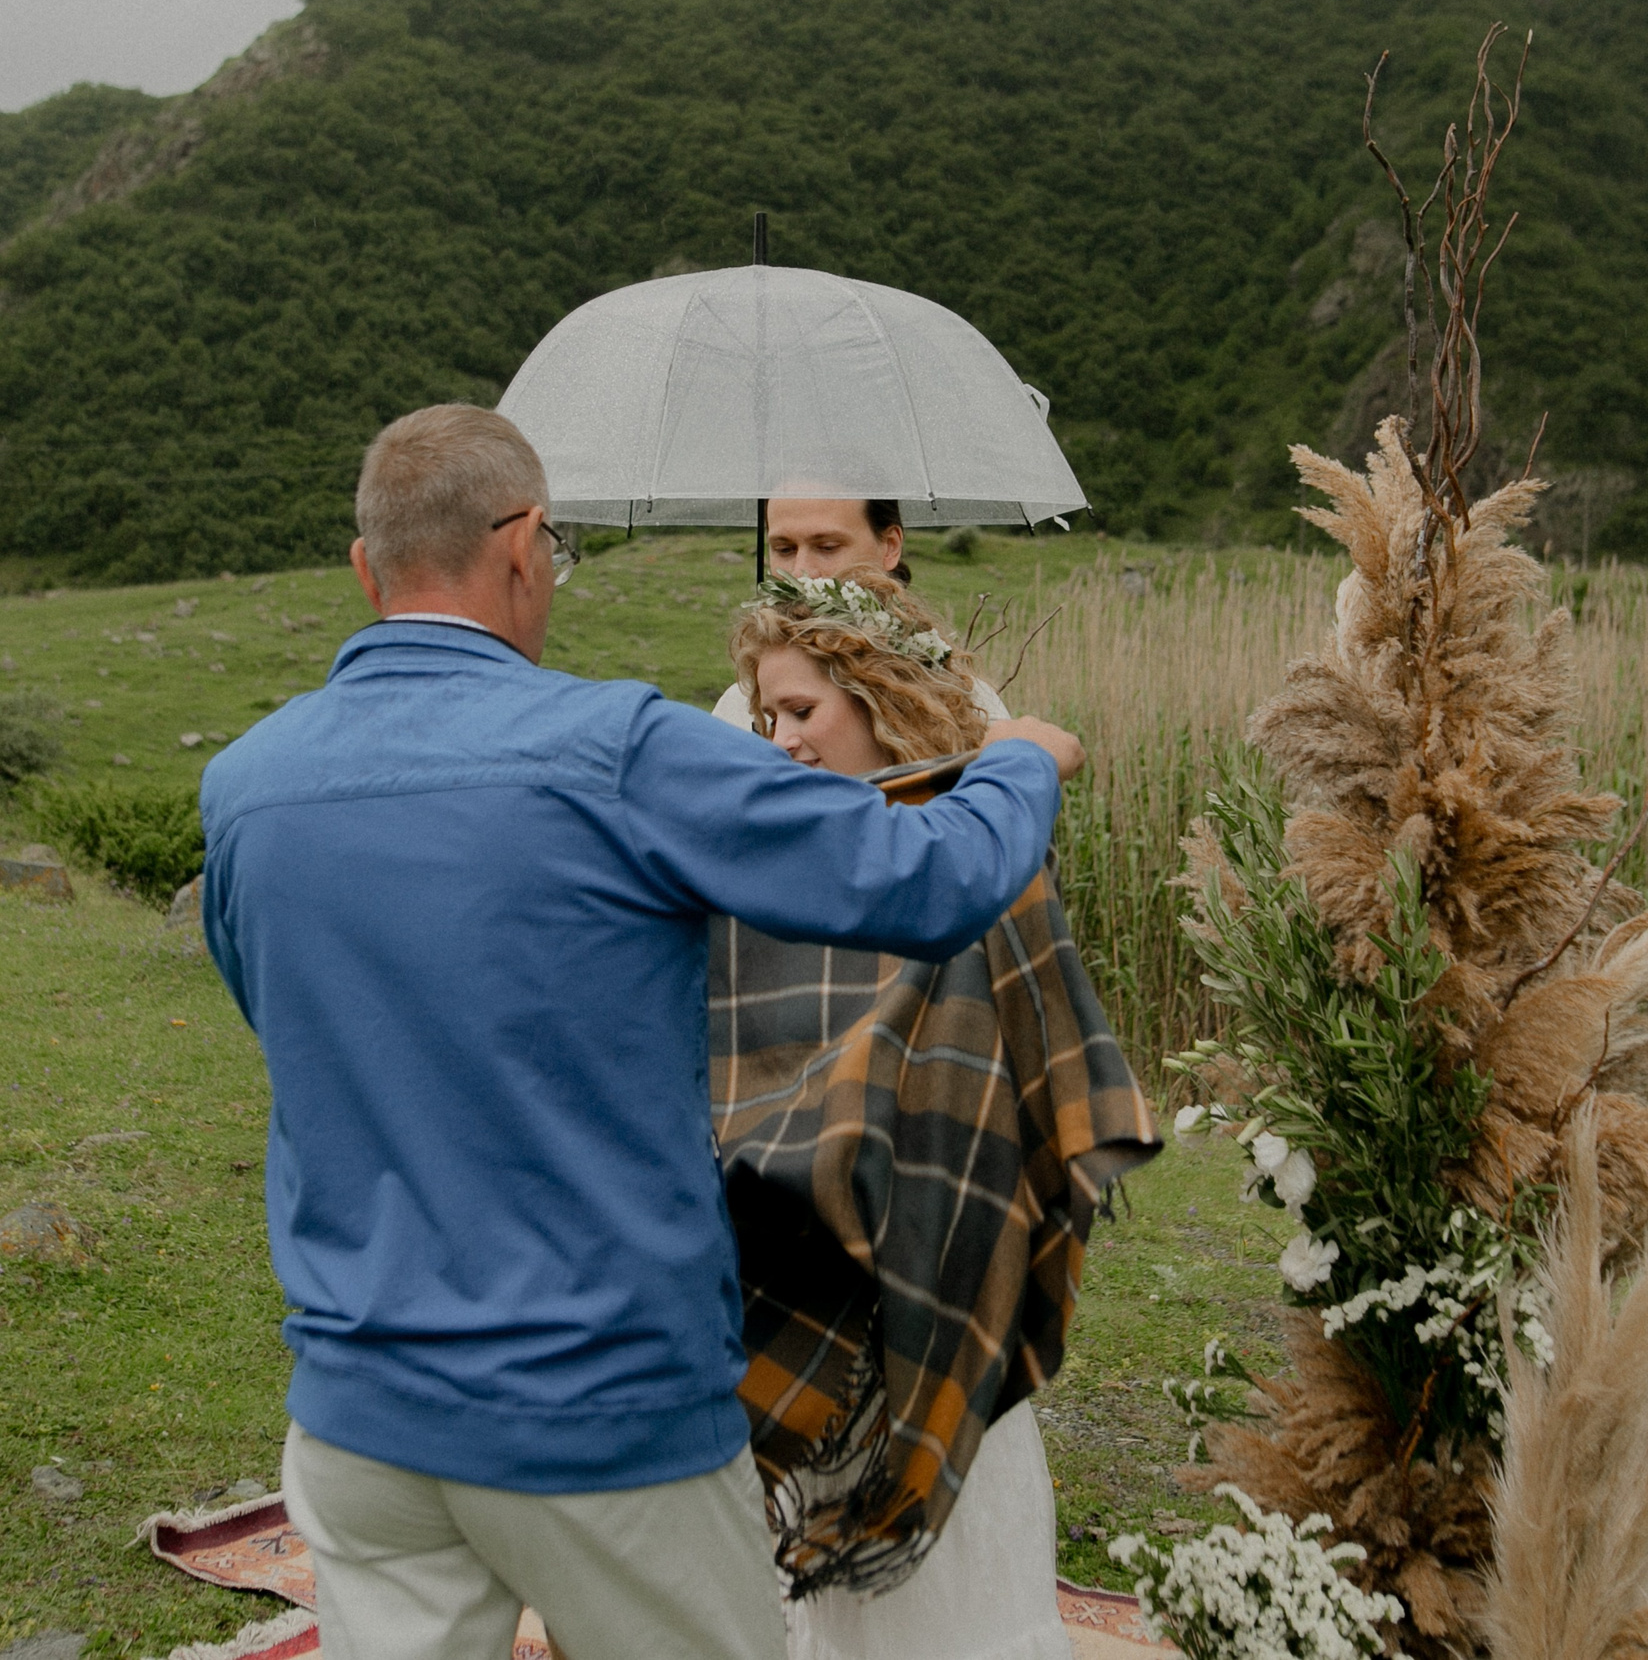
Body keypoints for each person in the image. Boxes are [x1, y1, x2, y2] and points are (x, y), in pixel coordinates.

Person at [198, 403, 1087, 1660]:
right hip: (603, 1407)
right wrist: (1019, 762)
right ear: (524, 547)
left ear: (365, 568)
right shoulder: (618, 748)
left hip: (357, 1419)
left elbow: (297, 1027)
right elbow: (928, 881)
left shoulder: (243, 787)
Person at [713, 567, 1155, 1660]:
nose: (781, 741)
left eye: (802, 710)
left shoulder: (975, 854)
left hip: (945, 1268)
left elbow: (1007, 1083)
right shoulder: (775, 867)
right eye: (767, 718)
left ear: (883, 701)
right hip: (809, 1281)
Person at [711, 497, 1017, 730]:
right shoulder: (738, 713)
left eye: (827, 547)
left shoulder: (966, 708)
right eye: (784, 549)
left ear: (890, 547)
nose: (801, 573)